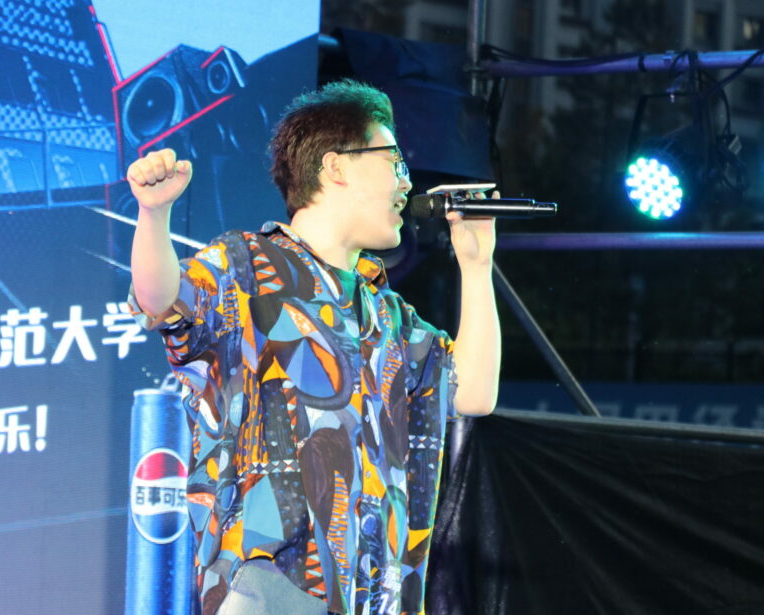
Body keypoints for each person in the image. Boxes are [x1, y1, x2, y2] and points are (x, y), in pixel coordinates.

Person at [128, 79, 500, 615]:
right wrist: (154, 214)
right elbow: (162, 299)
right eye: (394, 161)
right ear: (336, 166)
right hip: (275, 585)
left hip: (373, 595)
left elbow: (475, 392)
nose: (406, 181)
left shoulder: (388, 315)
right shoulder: (248, 266)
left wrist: (477, 264)